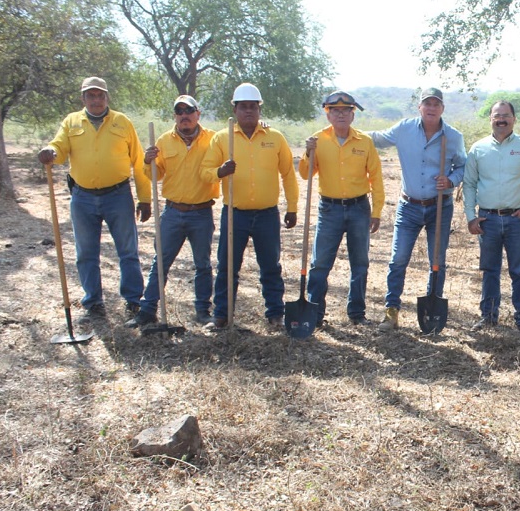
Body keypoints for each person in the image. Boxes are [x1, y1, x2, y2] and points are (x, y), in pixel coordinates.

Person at [38, 76, 151, 322]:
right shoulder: (72, 122)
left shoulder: (122, 122)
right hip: (83, 197)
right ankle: (93, 302)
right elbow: (59, 147)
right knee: (86, 253)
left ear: (107, 97)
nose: (96, 99)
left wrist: (145, 198)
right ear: (83, 98)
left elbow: (139, 162)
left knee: (128, 251)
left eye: (100, 95)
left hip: (119, 196)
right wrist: (51, 152)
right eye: (91, 95)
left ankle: (133, 300)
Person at [200, 83, 298, 329]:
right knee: (227, 266)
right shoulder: (222, 139)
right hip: (235, 214)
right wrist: (220, 171)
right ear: (234, 109)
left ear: (259, 110)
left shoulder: (274, 138)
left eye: (253, 107)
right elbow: (204, 172)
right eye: (243, 107)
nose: (248, 111)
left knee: (270, 266)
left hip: (267, 214)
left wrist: (292, 207)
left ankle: (275, 314)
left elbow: (287, 173)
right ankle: (222, 315)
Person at [369, 87, 467, 331]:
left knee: (437, 261)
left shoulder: (453, 137)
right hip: (409, 207)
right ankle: (391, 311)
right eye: (427, 104)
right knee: (398, 259)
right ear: (420, 107)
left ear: (442, 108)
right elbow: (377, 138)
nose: (431, 108)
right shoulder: (404, 129)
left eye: (436, 104)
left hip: (439, 207)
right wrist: (342, 129)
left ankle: (431, 309)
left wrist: (452, 180)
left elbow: (464, 167)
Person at [126, 95, 219, 328]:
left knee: (203, 264)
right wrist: (148, 162)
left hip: (201, 212)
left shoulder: (214, 139)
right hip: (172, 212)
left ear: (198, 113)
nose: (184, 115)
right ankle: (147, 311)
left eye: (189, 110)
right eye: (179, 111)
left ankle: (203, 311)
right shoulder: (164, 141)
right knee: (161, 262)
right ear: (175, 116)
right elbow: (154, 174)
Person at [297, 91, 385, 328]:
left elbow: (376, 178)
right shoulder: (317, 141)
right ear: (328, 115)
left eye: (346, 111)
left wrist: (376, 211)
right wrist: (307, 152)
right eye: (335, 111)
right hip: (330, 210)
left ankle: (357, 312)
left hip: (359, 208)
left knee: (360, 263)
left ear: (352, 115)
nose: (341, 115)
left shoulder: (364, 142)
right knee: (320, 264)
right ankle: (314, 314)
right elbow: (305, 174)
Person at [463, 100, 520, 333]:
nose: (501, 119)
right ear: (490, 118)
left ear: (514, 118)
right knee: (490, 270)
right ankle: (489, 317)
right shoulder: (478, 148)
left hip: (517, 219)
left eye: (506, 115)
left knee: (519, 271)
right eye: (497, 115)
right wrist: (471, 216)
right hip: (487, 220)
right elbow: (469, 184)